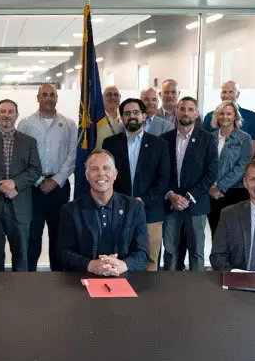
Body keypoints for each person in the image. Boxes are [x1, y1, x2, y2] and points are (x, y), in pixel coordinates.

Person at [0, 99, 42, 272]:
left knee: (21, 256)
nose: (6, 115)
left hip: (20, 208)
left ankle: (21, 295)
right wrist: (2, 186)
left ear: (16, 115)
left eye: (10, 112)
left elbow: (35, 170)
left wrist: (15, 184)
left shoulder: (29, 142)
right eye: (2, 112)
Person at [102, 98, 169, 271]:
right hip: (118, 210)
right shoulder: (110, 143)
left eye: (136, 112)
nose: (132, 116)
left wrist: (144, 200)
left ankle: (148, 298)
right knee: (118, 258)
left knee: (150, 259)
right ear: (122, 117)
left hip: (150, 211)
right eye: (127, 113)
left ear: (144, 116)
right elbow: (107, 177)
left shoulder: (159, 144)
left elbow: (163, 178)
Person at [58, 149, 148, 274]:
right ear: (87, 175)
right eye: (94, 169)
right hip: (83, 280)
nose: (101, 173)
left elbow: (142, 254)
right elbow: (64, 254)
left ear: (115, 173)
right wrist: (91, 265)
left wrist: (123, 265)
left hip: (124, 278)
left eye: (106, 168)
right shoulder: (70, 210)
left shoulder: (134, 208)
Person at [18, 83, 77, 271]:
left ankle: (57, 277)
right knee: (33, 234)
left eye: (52, 94)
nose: (48, 98)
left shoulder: (68, 124)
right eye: (44, 94)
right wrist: (37, 180)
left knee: (58, 233)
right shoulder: (26, 124)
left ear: (57, 98)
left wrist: (56, 180)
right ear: (38, 98)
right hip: (33, 188)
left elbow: (73, 155)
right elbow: (21, 157)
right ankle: (29, 275)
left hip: (59, 187)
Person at [161, 97, 218, 271]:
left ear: (197, 113)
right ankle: (169, 287)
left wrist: (189, 196)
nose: (186, 113)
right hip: (170, 203)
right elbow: (160, 172)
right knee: (170, 250)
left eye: (190, 109)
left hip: (196, 203)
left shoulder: (207, 139)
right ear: (176, 112)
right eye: (182, 109)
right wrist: (171, 194)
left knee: (196, 252)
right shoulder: (164, 139)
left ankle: (196, 290)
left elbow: (211, 172)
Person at [207, 100, 252, 237]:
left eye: (229, 113)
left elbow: (242, 166)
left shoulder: (244, 138)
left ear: (235, 116)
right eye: (221, 113)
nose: (225, 117)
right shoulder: (210, 137)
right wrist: (210, 187)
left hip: (235, 192)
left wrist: (220, 186)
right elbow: (204, 165)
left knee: (234, 235)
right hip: (211, 193)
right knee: (216, 233)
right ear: (216, 116)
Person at [201, 81, 255, 155]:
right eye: (224, 92)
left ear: (238, 94)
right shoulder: (209, 116)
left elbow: (252, 150)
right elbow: (203, 145)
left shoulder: (251, 117)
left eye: (231, 92)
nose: (227, 95)